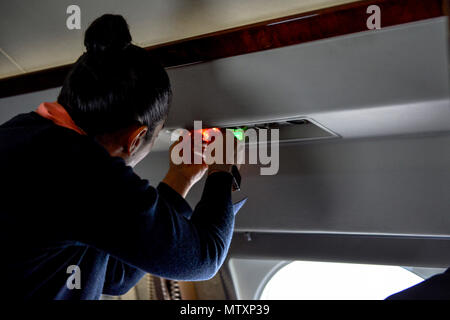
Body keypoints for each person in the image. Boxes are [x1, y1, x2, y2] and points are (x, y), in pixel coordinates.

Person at [0, 14, 242, 300]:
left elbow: (114, 276)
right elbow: (205, 256)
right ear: (135, 138)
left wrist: (180, 177)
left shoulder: (20, 133)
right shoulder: (87, 173)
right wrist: (222, 170)